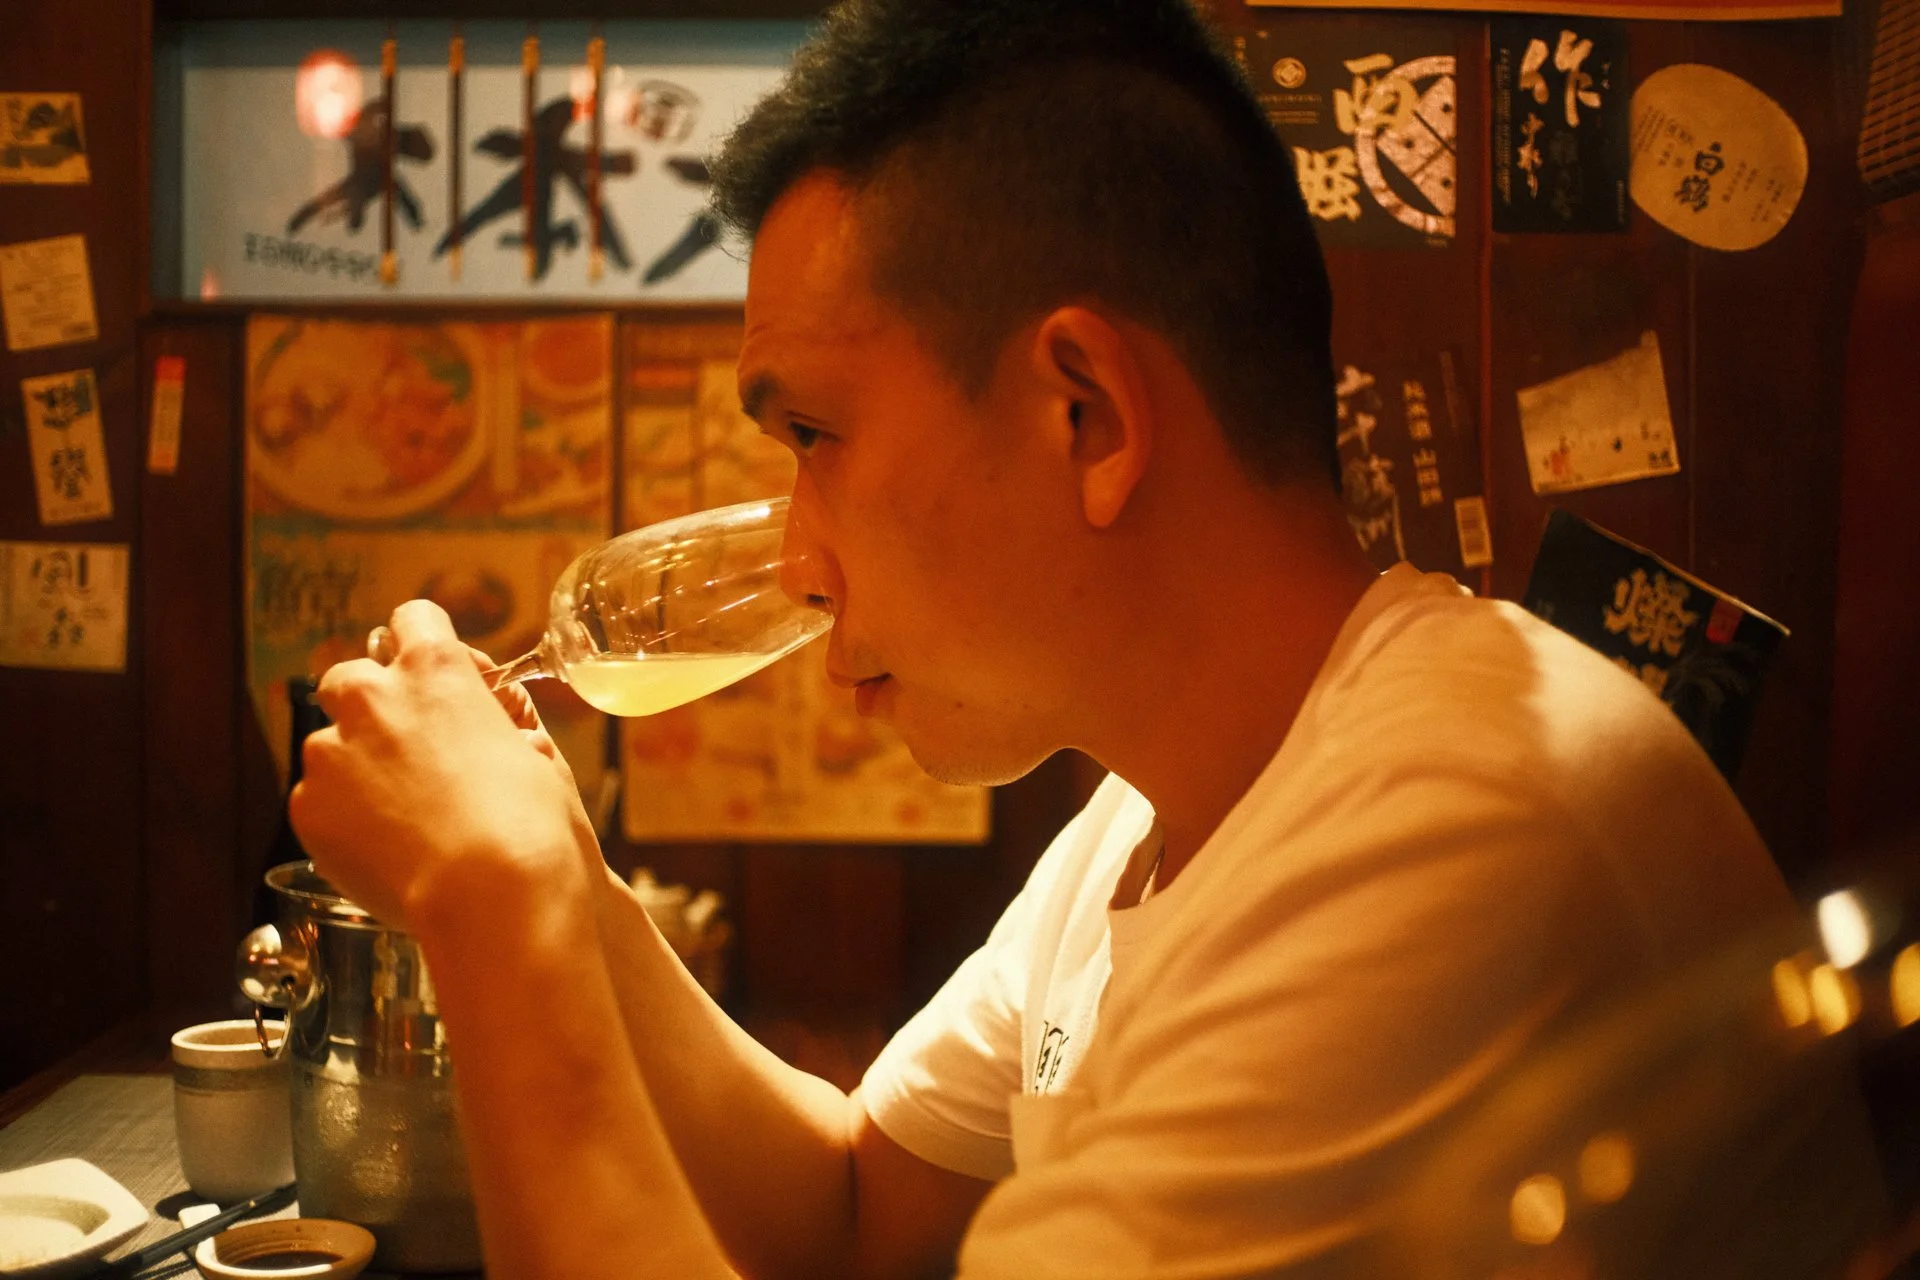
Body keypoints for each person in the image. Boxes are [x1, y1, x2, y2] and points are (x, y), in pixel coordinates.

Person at [291, 1, 1881, 1276]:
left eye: (815, 435)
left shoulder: (1456, 826)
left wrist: (492, 901)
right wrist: (561, 859)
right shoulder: (1169, 801)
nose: (795, 558)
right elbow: (856, 1211)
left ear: (1087, 414)